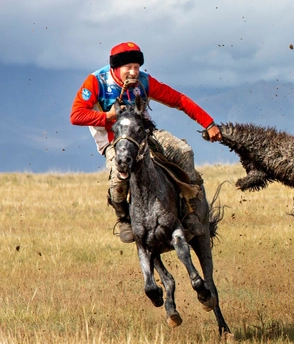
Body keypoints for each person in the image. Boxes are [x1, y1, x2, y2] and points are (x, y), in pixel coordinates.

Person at [70, 42, 222, 243]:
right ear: (116, 68)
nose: (133, 73)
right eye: (128, 68)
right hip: (113, 139)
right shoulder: (96, 81)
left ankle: (191, 210)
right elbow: (76, 115)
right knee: (118, 177)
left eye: (136, 67)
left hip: (144, 134)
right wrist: (108, 116)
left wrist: (208, 123)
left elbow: (178, 100)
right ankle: (124, 218)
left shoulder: (144, 81)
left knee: (184, 151)